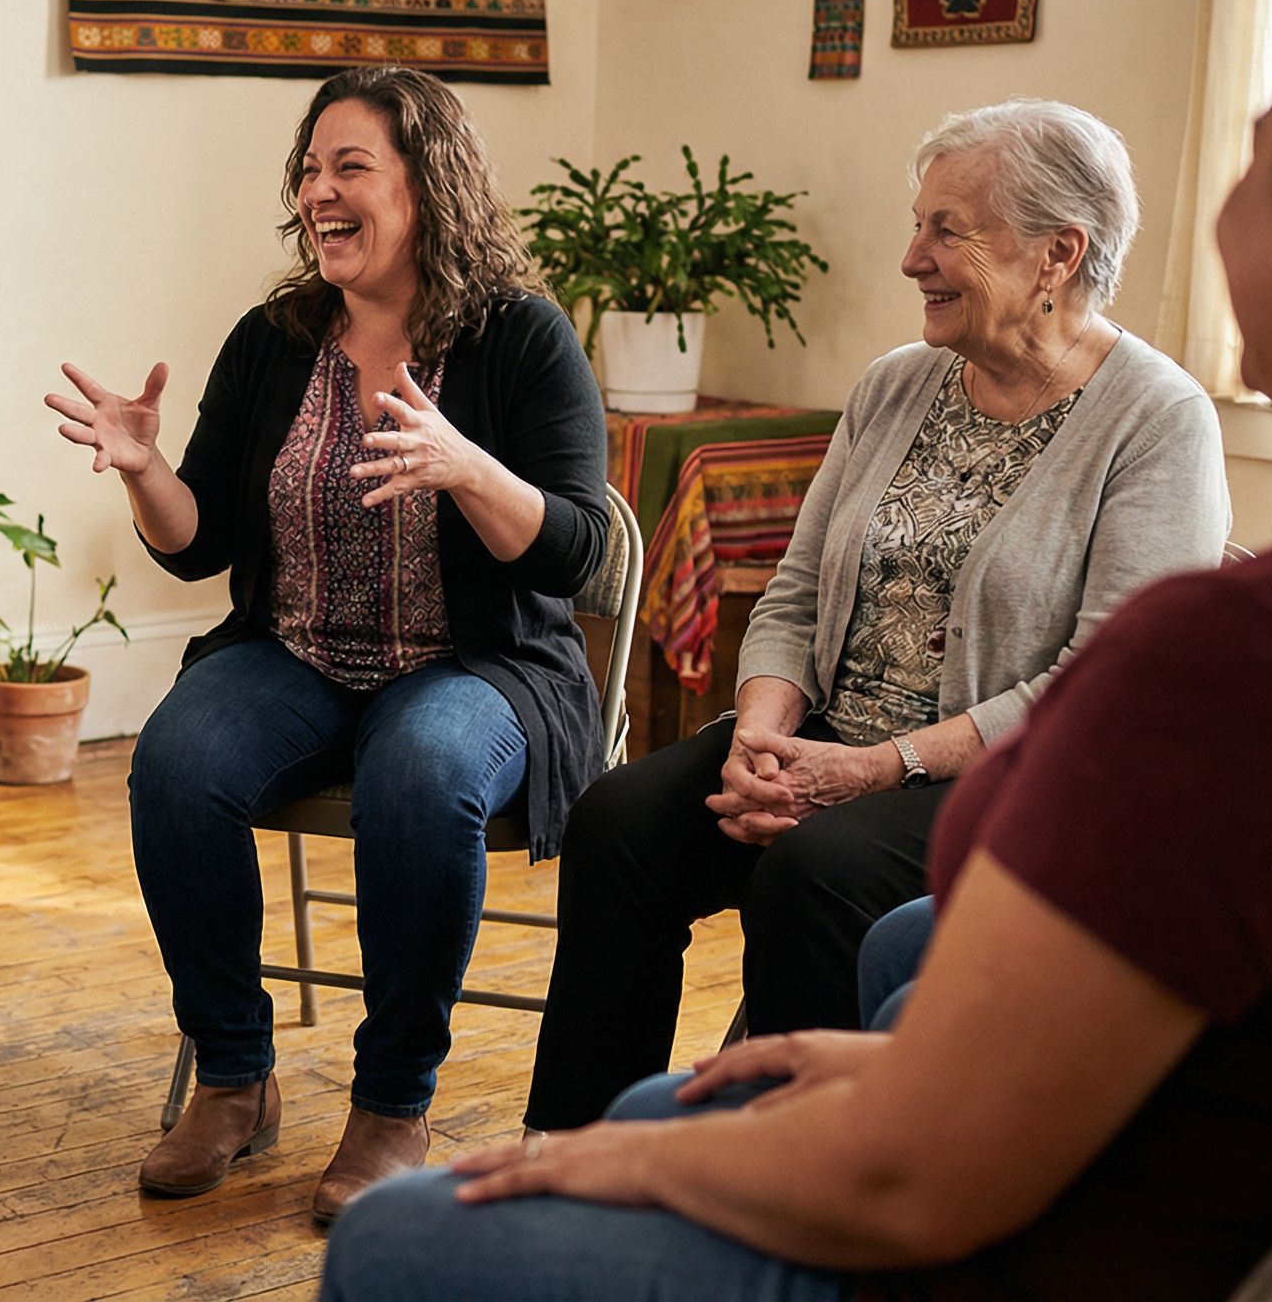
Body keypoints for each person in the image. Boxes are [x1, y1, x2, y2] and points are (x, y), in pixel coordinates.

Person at [322, 0, 1272, 1301]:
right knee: (734, 912)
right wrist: (780, 752)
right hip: (1131, 1183)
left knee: (403, 1236)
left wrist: (624, 1169)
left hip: (1001, 1245)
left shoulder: (1235, 659)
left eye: (1258, 152)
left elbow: (908, 1178)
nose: (912, 257)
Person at [524, 98, 1231, 1130]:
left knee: (818, 870)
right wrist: (760, 738)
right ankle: (571, 1152)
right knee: (620, 823)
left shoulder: (1157, 419)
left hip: (1004, 779)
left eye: (947, 230)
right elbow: (797, 591)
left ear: (1056, 255)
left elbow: (1103, 689)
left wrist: (873, 770)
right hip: (825, 744)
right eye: (919, 225)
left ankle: (780, 1173)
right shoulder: (895, 385)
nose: (911, 257)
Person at [51, 66, 613, 1222]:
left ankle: (390, 1105)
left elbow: (573, 552)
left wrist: (468, 469)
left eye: (349, 166)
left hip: (479, 667)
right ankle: (234, 1077)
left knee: (421, 771)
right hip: (299, 650)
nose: (319, 191)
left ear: (427, 186)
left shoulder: (520, 338)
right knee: (175, 761)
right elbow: (197, 546)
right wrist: (147, 468)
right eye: (310, 169)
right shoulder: (275, 339)